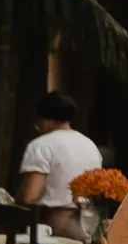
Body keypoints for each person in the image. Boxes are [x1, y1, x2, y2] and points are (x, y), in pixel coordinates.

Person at [17, 91, 107, 234]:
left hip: (52, 225)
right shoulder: (90, 146)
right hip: (88, 224)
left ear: (46, 120)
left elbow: (30, 196)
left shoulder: (41, 145)